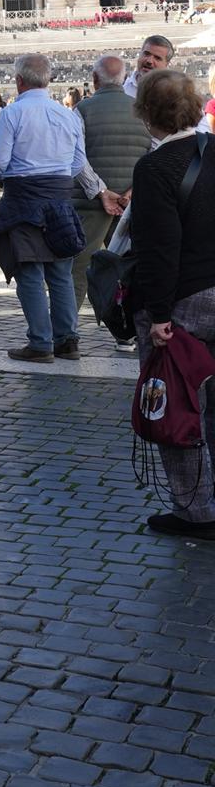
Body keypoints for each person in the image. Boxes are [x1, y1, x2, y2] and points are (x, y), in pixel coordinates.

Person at [0, 54, 123, 363]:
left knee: (30, 272)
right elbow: (77, 162)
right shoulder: (68, 114)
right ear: (48, 80)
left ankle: (40, 342)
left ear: (19, 81)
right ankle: (67, 341)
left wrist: (1, 178)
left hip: (23, 197)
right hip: (60, 198)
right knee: (60, 271)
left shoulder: (11, 114)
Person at [128, 70, 215, 538]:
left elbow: (159, 247)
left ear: (147, 114)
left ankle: (196, 512)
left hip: (184, 303)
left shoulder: (156, 167)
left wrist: (159, 315)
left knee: (180, 406)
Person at [71, 55, 149, 306]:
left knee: (78, 268)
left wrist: (102, 191)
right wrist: (130, 192)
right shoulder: (142, 110)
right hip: (129, 205)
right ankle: (126, 333)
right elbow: (152, 155)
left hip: (90, 204)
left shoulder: (82, 109)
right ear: (124, 78)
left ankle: (66, 331)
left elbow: (77, 158)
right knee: (129, 268)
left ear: (94, 79)